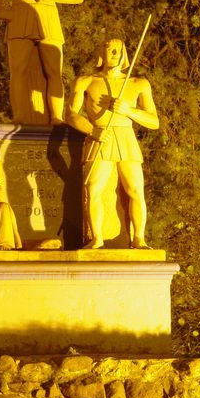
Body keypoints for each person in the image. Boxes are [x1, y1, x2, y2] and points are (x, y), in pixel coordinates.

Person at [66, 39, 159, 249]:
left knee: (135, 189)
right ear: (102, 52)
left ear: (125, 54)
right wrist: (92, 130)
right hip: (100, 136)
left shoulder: (138, 84)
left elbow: (154, 121)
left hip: (126, 138)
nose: (115, 53)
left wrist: (128, 111)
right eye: (110, 49)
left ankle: (139, 238)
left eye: (119, 50)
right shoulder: (86, 81)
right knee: (93, 187)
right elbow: (70, 114)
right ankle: (97, 237)